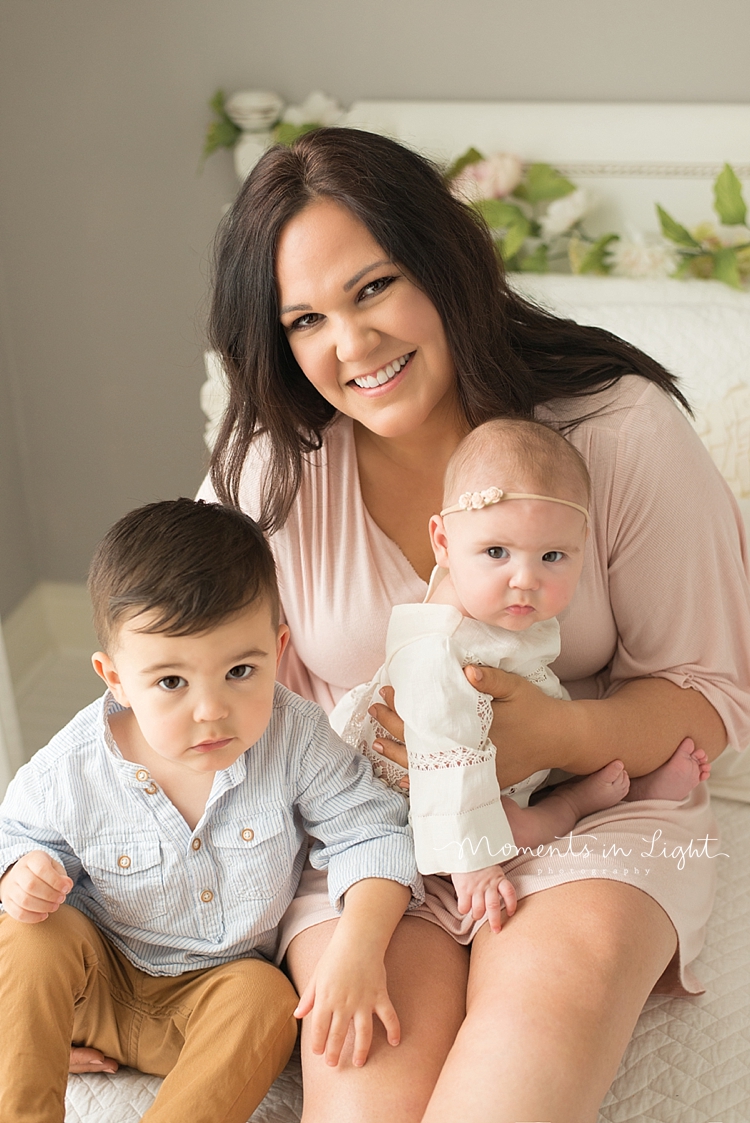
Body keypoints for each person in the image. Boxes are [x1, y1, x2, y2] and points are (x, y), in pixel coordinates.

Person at [0, 498, 422, 1123]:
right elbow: (18, 841)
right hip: (96, 985)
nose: (211, 710)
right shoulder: (71, 767)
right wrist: (22, 875)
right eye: (172, 682)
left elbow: (374, 832)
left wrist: (358, 949)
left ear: (279, 649)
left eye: (240, 671)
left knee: (267, 998)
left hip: (212, 996)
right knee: (29, 937)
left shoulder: (296, 737)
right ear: (114, 678)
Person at [331, 417, 712, 933]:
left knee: (546, 725)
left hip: (503, 759)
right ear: (443, 542)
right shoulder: (437, 649)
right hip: (409, 799)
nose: (526, 580)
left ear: (582, 544)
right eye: (496, 553)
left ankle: (625, 785)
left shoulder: (491, 617)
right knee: (512, 818)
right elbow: (447, 761)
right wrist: (474, 864)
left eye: (553, 556)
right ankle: (578, 804)